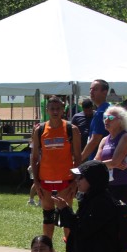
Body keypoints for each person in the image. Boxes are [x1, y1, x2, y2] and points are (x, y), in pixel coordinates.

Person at [30, 96, 81, 239]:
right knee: (48, 217)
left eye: (58, 109)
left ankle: (70, 250)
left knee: (66, 217)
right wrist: (36, 182)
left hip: (65, 181)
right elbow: (34, 157)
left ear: (63, 110)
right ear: (47, 110)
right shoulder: (40, 130)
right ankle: (48, 249)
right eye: (52, 109)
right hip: (45, 181)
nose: (55, 112)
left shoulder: (72, 129)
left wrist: (75, 181)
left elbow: (78, 157)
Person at [94, 105, 127, 205]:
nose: (106, 120)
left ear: (121, 121)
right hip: (105, 183)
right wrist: (102, 164)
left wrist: (99, 165)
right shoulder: (104, 140)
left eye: (111, 117)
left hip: (121, 184)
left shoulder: (125, 137)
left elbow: (115, 162)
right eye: (105, 117)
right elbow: (96, 161)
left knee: (117, 213)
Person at [80, 79, 111, 162]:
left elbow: (95, 140)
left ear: (105, 92)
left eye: (95, 89)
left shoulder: (102, 112)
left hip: (99, 160)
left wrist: (79, 159)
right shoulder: (107, 109)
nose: (91, 92)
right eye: (90, 89)